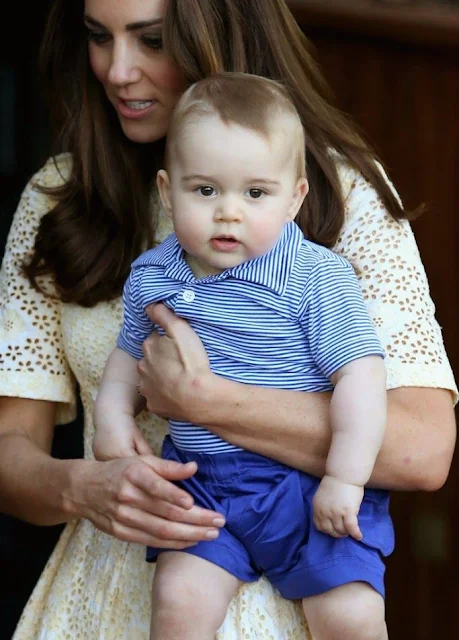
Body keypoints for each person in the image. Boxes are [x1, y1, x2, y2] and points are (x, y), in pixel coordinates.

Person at [0, 0, 456, 638]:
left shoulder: (343, 198)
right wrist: (83, 486)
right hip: (120, 594)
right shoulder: (60, 200)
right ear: (169, 189)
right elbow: (9, 454)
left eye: (152, 40)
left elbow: (423, 453)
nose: (118, 70)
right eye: (99, 38)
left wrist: (204, 401)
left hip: (297, 579)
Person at [93, 72, 390, 640]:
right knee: (178, 600)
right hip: (202, 480)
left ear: (294, 198)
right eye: (205, 190)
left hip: (304, 481)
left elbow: (361, 376)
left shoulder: (313, 278)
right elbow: (126, 360)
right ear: (166, 190)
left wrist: (346, 478)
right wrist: (111, 422)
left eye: (255, 193)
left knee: (350, 615)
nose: (228, 212)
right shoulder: (153, 275)